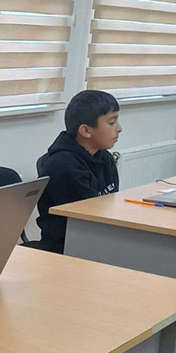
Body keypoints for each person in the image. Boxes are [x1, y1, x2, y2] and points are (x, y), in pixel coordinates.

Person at [35, 90, 122, 253]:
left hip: (97, 238)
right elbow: (90, 218)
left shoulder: (104, 157)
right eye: (112, 123)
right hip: (66, 247)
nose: (119, 129)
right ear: (86, 131)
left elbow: (110, 203)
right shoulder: (64, 167)